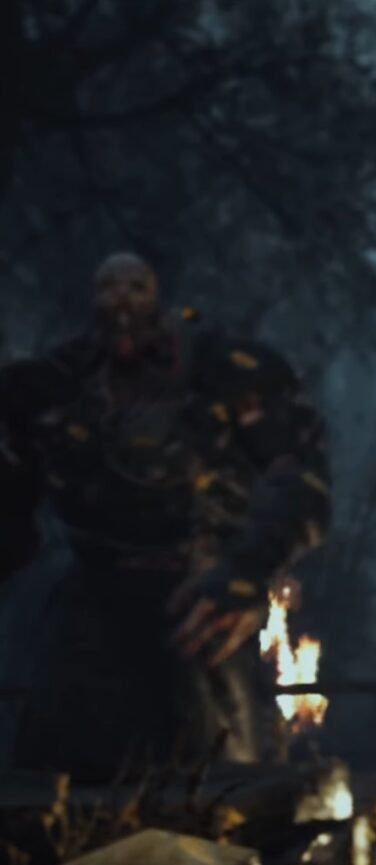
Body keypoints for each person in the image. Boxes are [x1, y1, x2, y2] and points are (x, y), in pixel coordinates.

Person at [1, 252, 330, 780]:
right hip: (95, 600)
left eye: (135, 287)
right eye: (110, 288)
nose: (122, 302)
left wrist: (246, 570)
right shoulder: (55, 387)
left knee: (219, 779)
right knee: (59, 783)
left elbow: (296, 480)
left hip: (199, 598)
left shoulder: (224, 373)